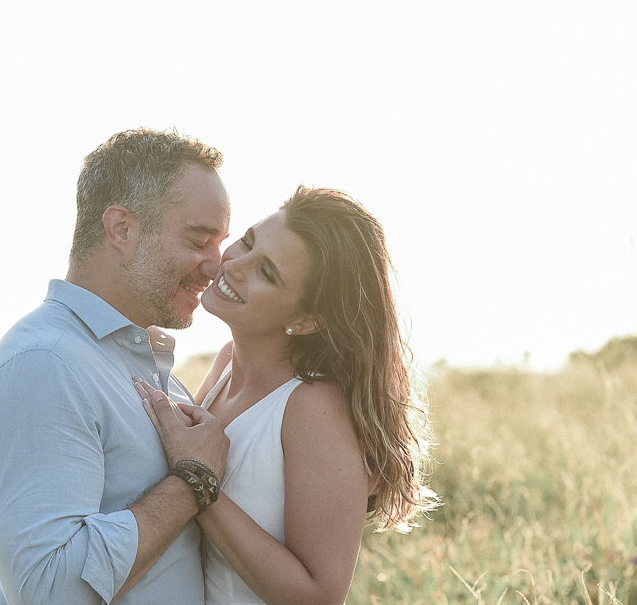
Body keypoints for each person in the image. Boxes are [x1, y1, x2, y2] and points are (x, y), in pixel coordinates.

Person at [0, 128, 234, 605]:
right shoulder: (44, 365)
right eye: (198, 240)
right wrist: (192, 482)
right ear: (121, 229)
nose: (216, 265)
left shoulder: (151, 372)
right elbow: (51, 591)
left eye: (220, 243)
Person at [135, 186, 439, 605]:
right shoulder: (226, 363)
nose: (237, 264)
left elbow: (319, 595)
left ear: (306, 318)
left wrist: (199, 484)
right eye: (247, 241)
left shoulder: (313, 407)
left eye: (268, 273)